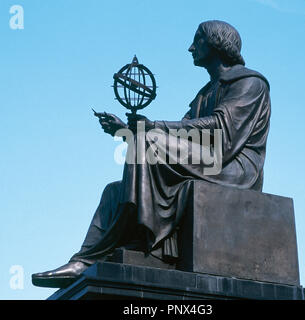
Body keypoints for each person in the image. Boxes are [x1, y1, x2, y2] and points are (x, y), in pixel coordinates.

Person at [32, 20, 271, 288]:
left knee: (149, 140)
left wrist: (152, 128)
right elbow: (178, 134)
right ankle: (87, 259)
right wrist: (126, 132)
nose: (191, 47)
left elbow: (221, 132)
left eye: (198, 40)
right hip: (208, 159)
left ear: (217, 42)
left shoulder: (250, 83)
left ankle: (141, 241)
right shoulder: (203, 94)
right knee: (113, 192)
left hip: (233, 166)